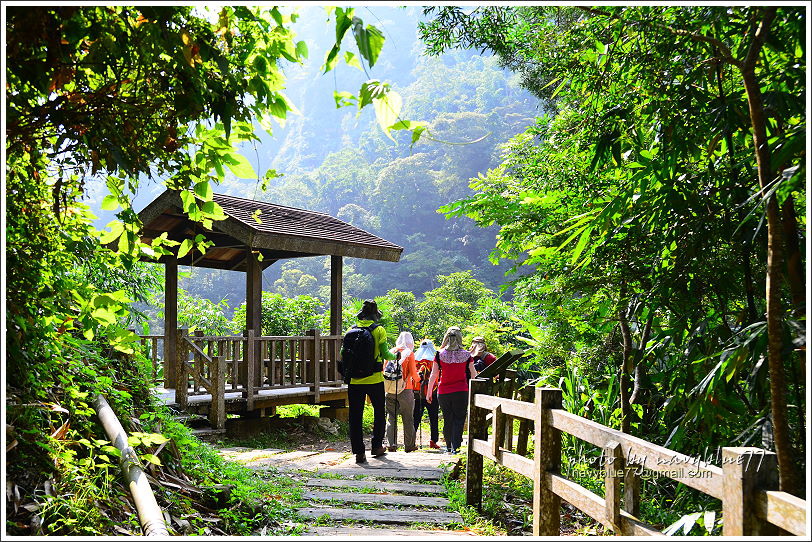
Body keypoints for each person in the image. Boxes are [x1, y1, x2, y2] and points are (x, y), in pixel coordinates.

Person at [344, 299, 395, 464]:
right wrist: (397, 356)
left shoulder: (350, 330)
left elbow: (342, 353)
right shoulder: (379, 330)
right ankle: (376, 446)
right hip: (374, 379)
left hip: (354, 380)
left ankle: (359, 452)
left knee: (355, 415)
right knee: (379, 412)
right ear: (375, 314)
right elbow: (386, 354)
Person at [426, 326, 477, 454]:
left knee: (447, 419)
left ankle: (449, 447)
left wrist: (428, 392)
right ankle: (456, 448)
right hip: (461, 392)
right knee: (459, 419)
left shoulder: (439, 354)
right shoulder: (467, 355)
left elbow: (434, 374)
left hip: (443, 393)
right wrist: (474, 391)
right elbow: (473, 374)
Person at [385, 331, 419, 452]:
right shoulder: (409, 353)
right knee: (408, 418)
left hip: (389, 389)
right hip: (405, 389)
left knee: (391, 417)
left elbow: (384, 370)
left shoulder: (391, 351)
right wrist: (419, 379)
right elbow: (414, 374)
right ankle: (409, 445)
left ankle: (391, 444)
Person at [412, 338, 441, 450]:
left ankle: (412, 440)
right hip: (432, 393)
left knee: (416, 417)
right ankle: (433, 441)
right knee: (433, 417)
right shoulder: (434, 359)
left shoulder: (415, 359)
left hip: (417, 393)